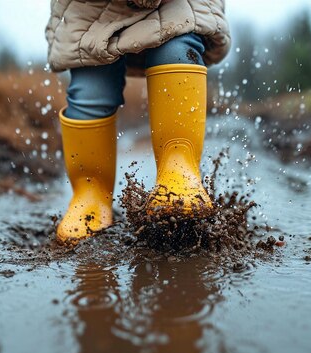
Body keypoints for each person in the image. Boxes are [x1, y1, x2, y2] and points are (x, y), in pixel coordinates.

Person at [46, 0, 231, 245]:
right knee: (90, 88)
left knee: (177, 44)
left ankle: (179, 168)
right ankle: (90, 194)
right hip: (89, 9)